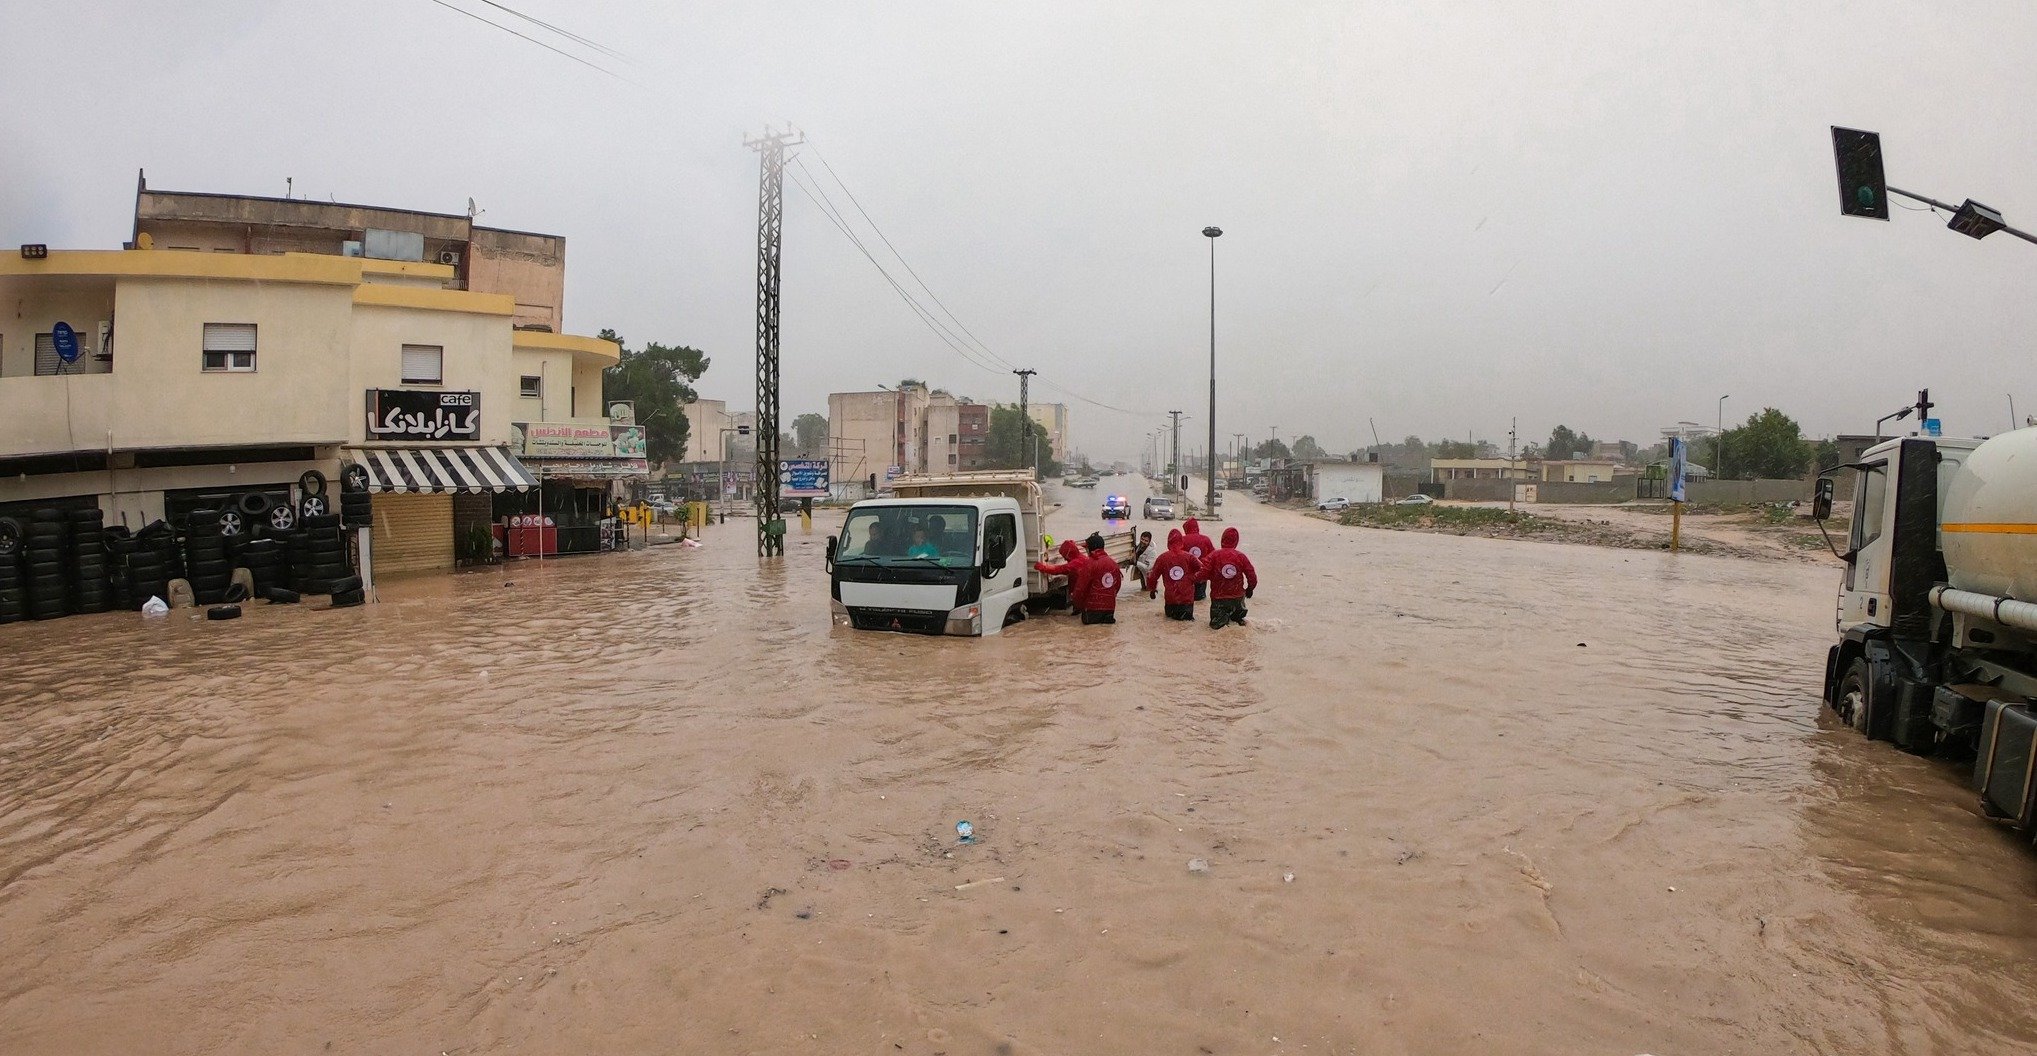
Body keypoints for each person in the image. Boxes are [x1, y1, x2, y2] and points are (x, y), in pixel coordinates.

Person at [1200, 526, 1258, 629]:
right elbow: (1251, 575)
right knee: (1239, 626)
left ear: (1222, 540)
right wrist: (1250, 589)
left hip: (1219, 600)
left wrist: (1190, 580)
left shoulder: (1213, 556)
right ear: (1236, 541)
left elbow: (1203, 574)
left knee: (1217, 628)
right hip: (1237, 599)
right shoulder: (1241, 556)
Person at [1144, 528, 1200, 621]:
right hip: (1187, 601)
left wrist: (1152, 590)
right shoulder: (1189, 557)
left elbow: (1152, 577)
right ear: (1181, 541)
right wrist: (1193, 579)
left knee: (1170, 626)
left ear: (1168, 542)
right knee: (1186, 627)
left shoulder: (1162, 558)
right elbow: (1202, 570)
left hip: (1171, 600)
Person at [1034, 538, 1091, 615]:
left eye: (1064, 555)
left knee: (1080, 614)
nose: (1064, 558)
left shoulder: (1075, 563)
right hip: (1086, 594)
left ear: (1068, 554)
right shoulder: (1082, 558)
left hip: (1080, 595)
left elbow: (1058, 569)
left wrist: (1042, 567)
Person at [1079, 532, 1121, 624]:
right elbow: (1117, 586)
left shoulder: (1089, 564)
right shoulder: (1113, 564)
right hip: (1110, 609)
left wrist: (1078, 605)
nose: (1086, 550)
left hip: (1091, 610)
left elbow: (1081, 588)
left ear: (1091, 548)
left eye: (1087, 548)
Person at [1180, 518, 1215, 601]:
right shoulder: (1205, 539)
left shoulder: (1182, 540)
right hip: (1202, 573)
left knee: (1187, 598)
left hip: (1187, 575)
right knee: (1200, 599)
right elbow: (1213, 555)